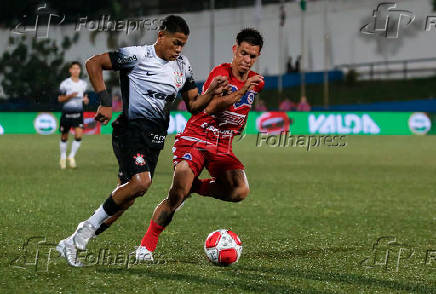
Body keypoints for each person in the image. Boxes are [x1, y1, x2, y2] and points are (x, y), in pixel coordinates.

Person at [56, 15, 228, 267]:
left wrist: (210, 91)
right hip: (130, 131)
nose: (179, 49)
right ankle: (83, 232)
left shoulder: (183, 65)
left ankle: (70, 243)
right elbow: (94, 63)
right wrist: (105, 102)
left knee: (125, 200)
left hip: (155, 139)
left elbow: (193, 105)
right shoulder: (137, 55)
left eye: (183, 45)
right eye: (176, 42)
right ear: (161, 36)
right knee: (141, 183)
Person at [135, 28, 265, 262]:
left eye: (252, 56)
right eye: (243, 53)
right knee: (177, 192)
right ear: (235, 50)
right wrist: (241, 91)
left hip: (222, 145)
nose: (247, 60)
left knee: (240, 190)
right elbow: (212, 107)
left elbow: (244, 107)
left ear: (257, 57)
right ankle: (146, 246)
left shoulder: (257, 83)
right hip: (197, 137)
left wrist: (240, 124)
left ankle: (192, 188)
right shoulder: (222, 73)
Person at [58, 61, 89, 169]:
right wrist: (70, 96)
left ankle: (71, 156)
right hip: (66, 114)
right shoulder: (65, 84)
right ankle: (62, 157)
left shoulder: (83, 84)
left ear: (80, 70)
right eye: (74, 68)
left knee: (79, 135)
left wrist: (85, 100)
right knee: (64, 136)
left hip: (78, 114)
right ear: (70, 70)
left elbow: (85, 99)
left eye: (78, 69)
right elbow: (60, 98)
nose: (76, 70)